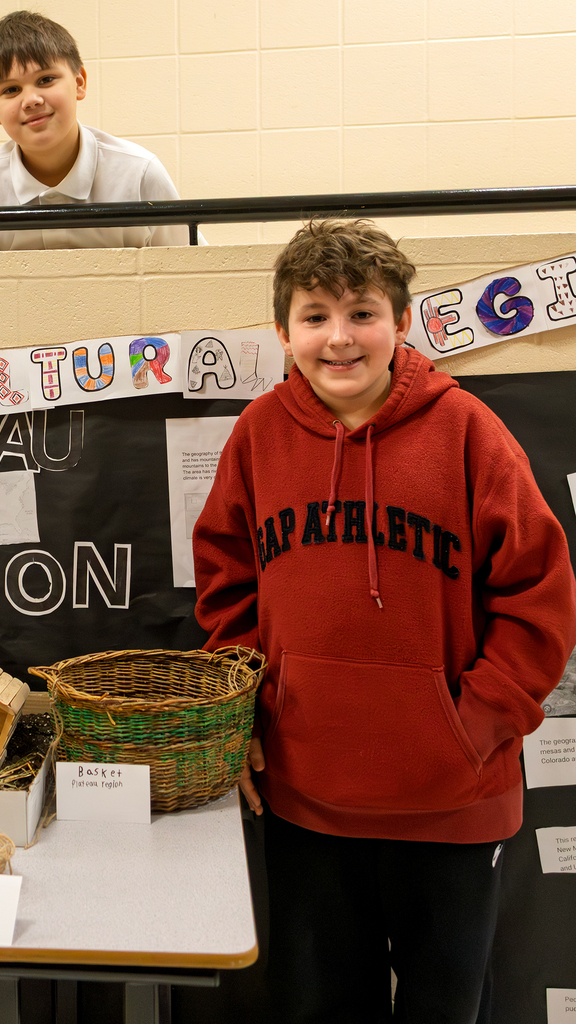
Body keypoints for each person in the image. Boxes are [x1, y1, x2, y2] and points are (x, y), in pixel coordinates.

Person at [192, 219, 576, 1024]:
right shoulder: (259, 436)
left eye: (362, 312)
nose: (340, 338)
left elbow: (541, 592)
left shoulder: (469, 431)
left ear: (401, 321)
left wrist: (476, 723)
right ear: (283, 331)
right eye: (316, 315)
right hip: (306, 797)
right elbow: (226, 585)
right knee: (319, 1008)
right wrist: (246, 712)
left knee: (446, 1009)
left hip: (451, 801)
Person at [0, 10, 196, 252]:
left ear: (79, 83)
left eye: (45, 80)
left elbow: (192, 276)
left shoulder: (139, 174)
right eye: (11, 90)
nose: (31, 99)